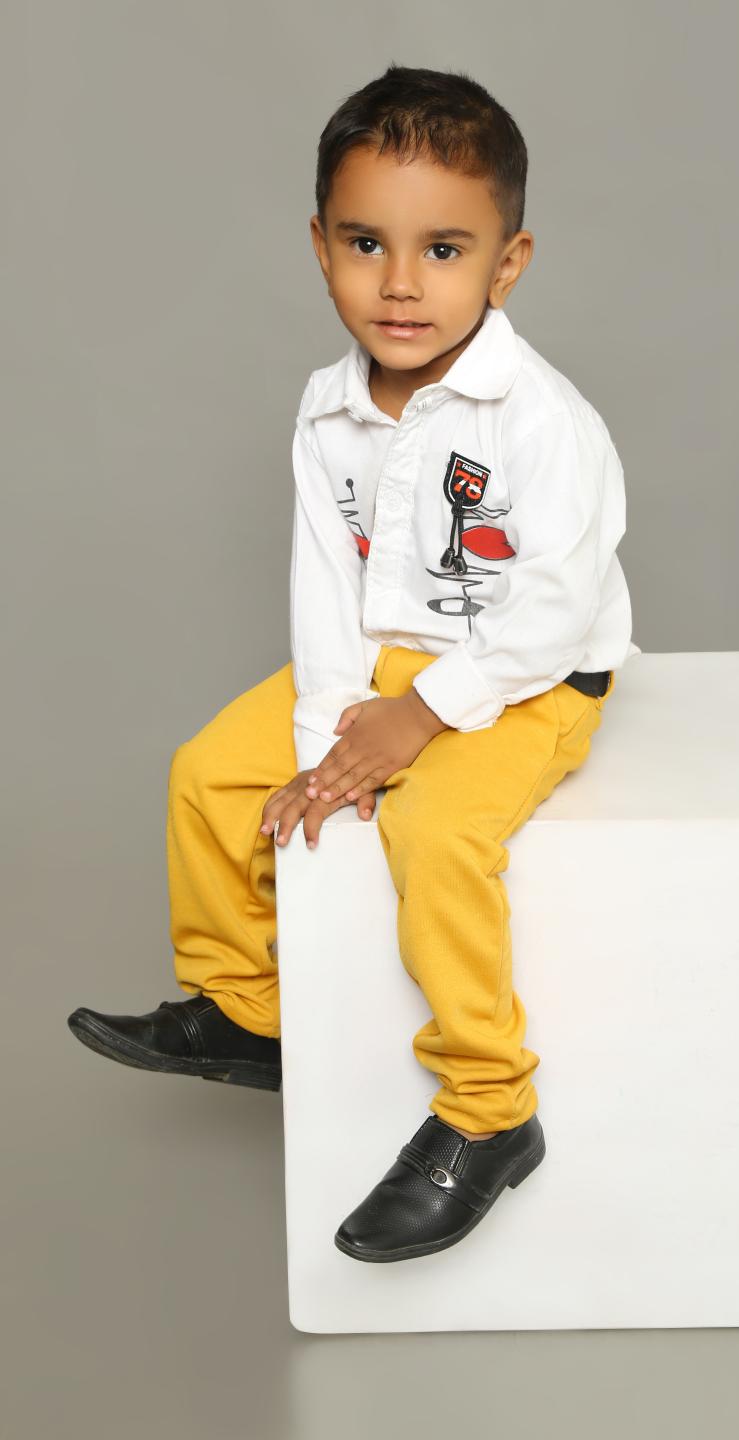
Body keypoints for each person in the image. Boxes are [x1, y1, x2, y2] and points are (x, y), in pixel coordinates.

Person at [67, 63, 639, 1264]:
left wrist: (418, 720)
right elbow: (325, 585)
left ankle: (489, 1107)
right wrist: (331, 737)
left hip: (527, 679)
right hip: (386, 660)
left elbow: (553, 607)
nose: (400, 282)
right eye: (366, 243)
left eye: (444, 249)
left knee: (436, 835)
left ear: (508, 264)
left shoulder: (541, 419)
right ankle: (250, 1012)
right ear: (320, 245)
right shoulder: (327, 407)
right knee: (208, 776)